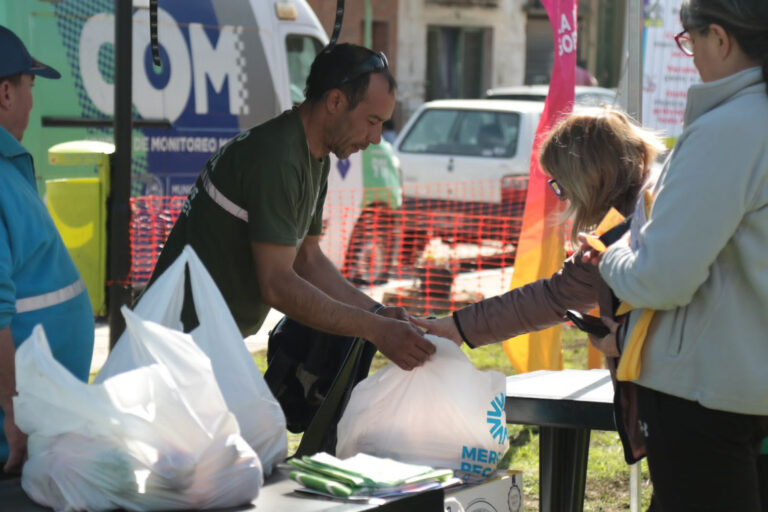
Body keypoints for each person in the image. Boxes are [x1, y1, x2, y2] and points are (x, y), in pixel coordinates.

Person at [148, 43, 435, 371]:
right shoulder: (278, 158)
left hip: (203, 342)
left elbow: (307, 259)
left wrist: (378, 314)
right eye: (372, 121)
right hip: (173, 346)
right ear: (335, 101)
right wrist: (375, 329)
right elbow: (277, 284)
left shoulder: (315, 156)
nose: (377, 138)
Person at [591, 1, 768, 510]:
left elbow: (662, 279)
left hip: (704, 396)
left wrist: (613, 253)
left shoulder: (729, 129)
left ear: (720, 37)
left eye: (689, 41)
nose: (690, 56)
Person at [412, 109, 663, 358]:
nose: (563, 196)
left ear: (587, 178)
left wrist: (624, 341)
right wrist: (459, 327)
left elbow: (556, 296)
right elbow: (555, 295)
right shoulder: (640, 205)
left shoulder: (643, 219)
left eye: (560, 184)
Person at [0, 25, 95, 474]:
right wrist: (15, 419)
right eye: (30, 87)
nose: (32, 102)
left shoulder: (8, 164)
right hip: (15, 444)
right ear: (6, 93)